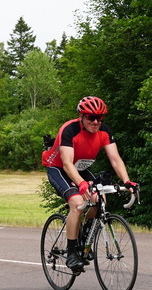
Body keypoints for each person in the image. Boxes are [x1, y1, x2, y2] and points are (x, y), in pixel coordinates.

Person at [42, 96, 139, 274]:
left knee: (100, 198)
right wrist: (81, 184)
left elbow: (115, 160)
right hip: (59, 167)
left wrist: (127, 181)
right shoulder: (69, 130)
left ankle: (85, 240)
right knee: (77, 204)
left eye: (100, 118)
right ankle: (72, 253)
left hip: (80, 166)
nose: (95, 122)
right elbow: (67, 164)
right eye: (91, 118)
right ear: (82, 117)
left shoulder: (104, 132)